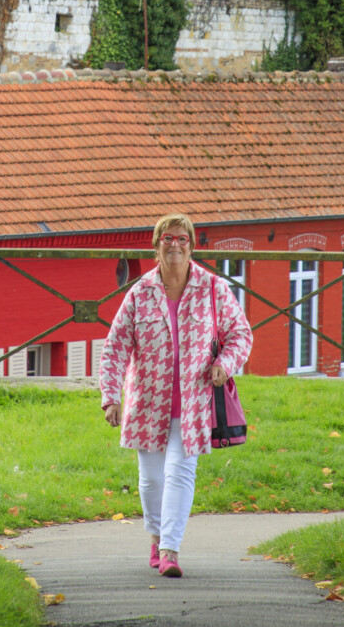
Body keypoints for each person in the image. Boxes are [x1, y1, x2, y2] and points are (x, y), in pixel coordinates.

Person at [99, 212, 252, 578]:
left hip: (195, 407)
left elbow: (241, 334)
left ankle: (169, 550)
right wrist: (111, 397)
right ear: (156, 247)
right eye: (167, 238)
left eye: (182, 239)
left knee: (179, 474)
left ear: (192, 246)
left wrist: (224, 363)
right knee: (151, 480)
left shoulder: (213, 289)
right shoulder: (139, 293)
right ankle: (155, 538)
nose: (175, 245)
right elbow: (115, 347)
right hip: (147, 405)